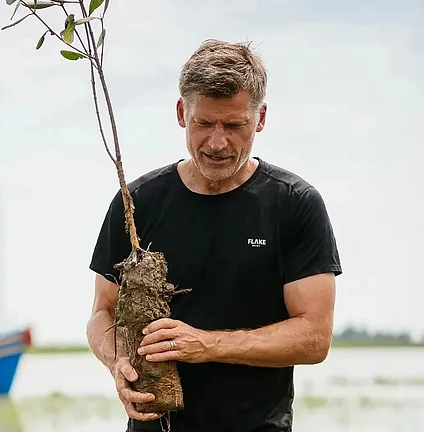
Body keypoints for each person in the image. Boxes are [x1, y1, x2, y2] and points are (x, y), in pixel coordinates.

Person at [86, 39, 342, 432]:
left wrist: (206, 345)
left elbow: (315, 337)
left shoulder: (295, 204)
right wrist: (118, 361)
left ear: (260, 118)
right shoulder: (137, 203)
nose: (218, 143)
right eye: (204, 123)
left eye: (234, 126)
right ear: (181, 113)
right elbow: (103, 312)